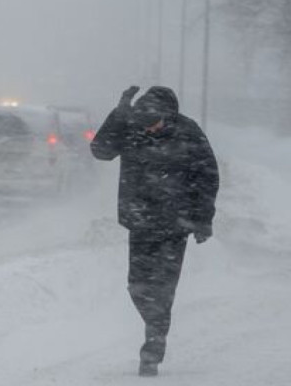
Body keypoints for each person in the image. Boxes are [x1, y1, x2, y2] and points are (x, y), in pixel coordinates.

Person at [90, 86, 219, 377]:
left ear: (168, 115)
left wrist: (203, 219)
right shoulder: (132, 126)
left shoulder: (189, 132)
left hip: (176, 225)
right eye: (145, 123)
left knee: (163, 288)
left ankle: (153, 344)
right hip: (141, 221)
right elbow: (100, 151)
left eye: (155, 122)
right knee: (137, 285)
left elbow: (207, 176)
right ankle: (155, 325)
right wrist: (119, 114)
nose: (150, 128)